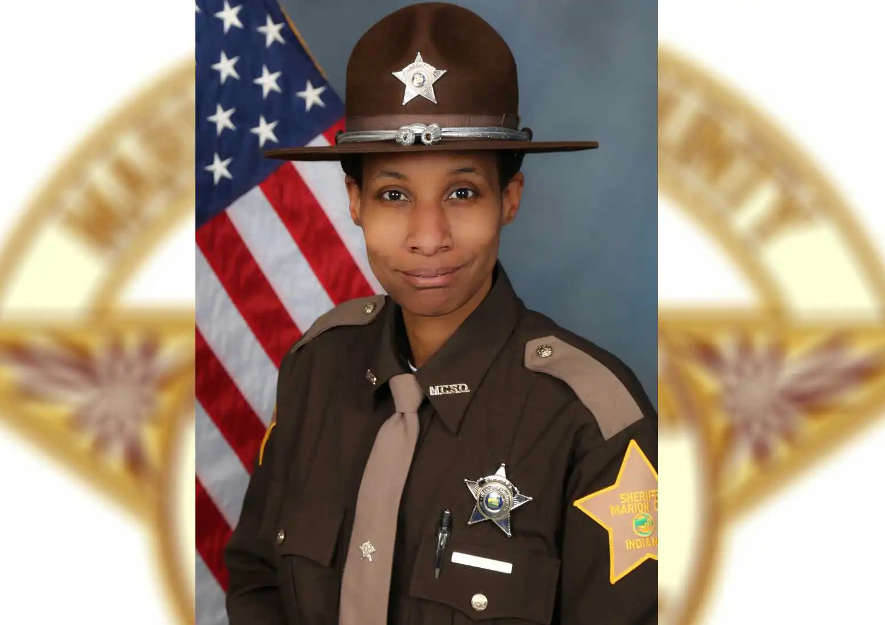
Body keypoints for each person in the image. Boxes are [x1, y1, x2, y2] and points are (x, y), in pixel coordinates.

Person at [224, 3, 657, 624]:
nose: (428, 237)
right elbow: (258, 581)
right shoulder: (316, 368)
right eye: (394, 194)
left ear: (510, 198)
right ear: (354, 201)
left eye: (462, 192)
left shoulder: (593, 421)